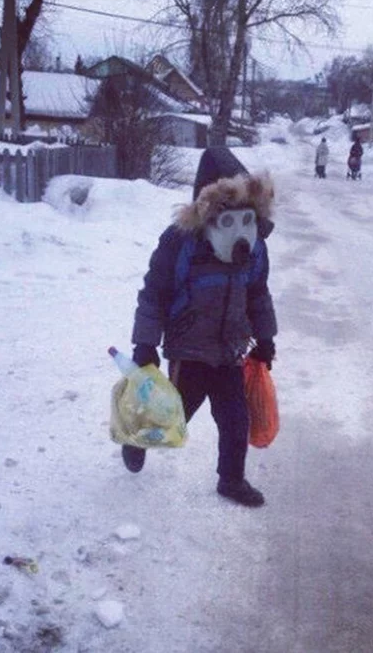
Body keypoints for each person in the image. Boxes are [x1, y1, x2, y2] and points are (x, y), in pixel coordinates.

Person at [121, 146, 278, 507]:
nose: (239, 225)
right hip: (188, 351)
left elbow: (258, 292)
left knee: (235, 420)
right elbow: (154, 295)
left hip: (229, 351)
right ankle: (138, 440)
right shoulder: (181, 242)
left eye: (246, 214)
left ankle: (232, 480)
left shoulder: (253, 247)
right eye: (227, 213)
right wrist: (145, 345)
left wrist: (265, 337)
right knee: (170, 416)